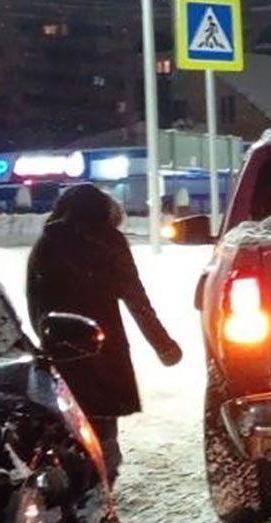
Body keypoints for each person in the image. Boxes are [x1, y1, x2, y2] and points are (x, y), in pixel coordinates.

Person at [26, 184, 181, 480]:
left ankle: (77, 480)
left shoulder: (46, 243)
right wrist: (163, 345)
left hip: (62, 351)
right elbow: (137, 299)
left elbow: (36, 303)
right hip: (103, 348)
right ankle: (103, 479)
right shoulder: (108, 241)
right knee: (103, 427)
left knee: (70, 424)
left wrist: (49, 339)